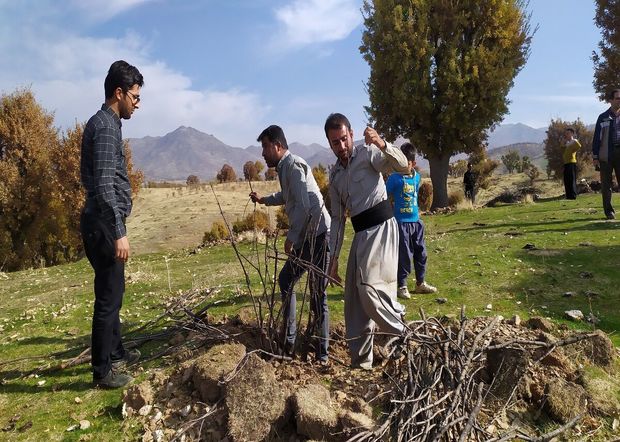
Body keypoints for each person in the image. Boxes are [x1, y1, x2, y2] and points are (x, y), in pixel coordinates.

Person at [326, 113, 408, 370]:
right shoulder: (336, 177)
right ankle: (361, 364)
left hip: (382, 227)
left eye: (343, 139)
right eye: (334, 143)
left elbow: (403, 166)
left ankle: (402, 332)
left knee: (369, 289)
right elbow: (338, 221)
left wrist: (382, 143)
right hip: (361, 234)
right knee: (353, 299)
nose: (341, 147)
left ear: (351, 133)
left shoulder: (368, 154)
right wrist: (333, 259)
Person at [80, 60, 143, 388]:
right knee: (108, 295)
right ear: (118, 93)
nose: (137, 103)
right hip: (104, 225)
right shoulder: (105, 126)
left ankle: (115, 352)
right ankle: (102, 371)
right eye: (134, 96)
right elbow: (104, 185)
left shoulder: (108, 124)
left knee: (113, 290)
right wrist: (119, 232)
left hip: (101, 222)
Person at [249, 125, 331, 363]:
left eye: (265, 146)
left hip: (318, 235)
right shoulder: (285, 169)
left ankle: (322, 355)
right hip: (308, 235)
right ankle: (290, 342)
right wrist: (264, 200)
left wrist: (291, 238)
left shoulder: (293, 167)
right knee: (287, 280)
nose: (263, 153)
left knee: (317, 294)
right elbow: (288, 196)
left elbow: (305, 209)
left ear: (277, 145)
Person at [385, 143, 437, 300]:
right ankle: (401, 286)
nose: (401, 165)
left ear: (413, 163)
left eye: (405, 162)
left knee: (421, 253)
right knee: (404, 255)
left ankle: (420, 283)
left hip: (416, 222)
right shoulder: (394, 179)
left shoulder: (417, 177)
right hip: (401, 223)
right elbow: (383, 196)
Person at [592, 88, 620, 219]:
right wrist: (595, 156)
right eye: (617, 98)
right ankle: (609, 212)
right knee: (606, 186)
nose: (619, 100)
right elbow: (596, 138)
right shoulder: (603, 117)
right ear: (610, 100)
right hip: (606, 155)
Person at [562, 127, 581, 200]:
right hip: (566, 163)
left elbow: (579, 146)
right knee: (566, 179)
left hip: (571, 162)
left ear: (572, 133)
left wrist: (572, 148)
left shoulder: (574, 141)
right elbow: (562, 149)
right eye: (566, 133)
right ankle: (568, 196)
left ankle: (573, 196)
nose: (566, 135)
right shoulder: (567, 143)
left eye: (568, 133)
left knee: (571, 179)